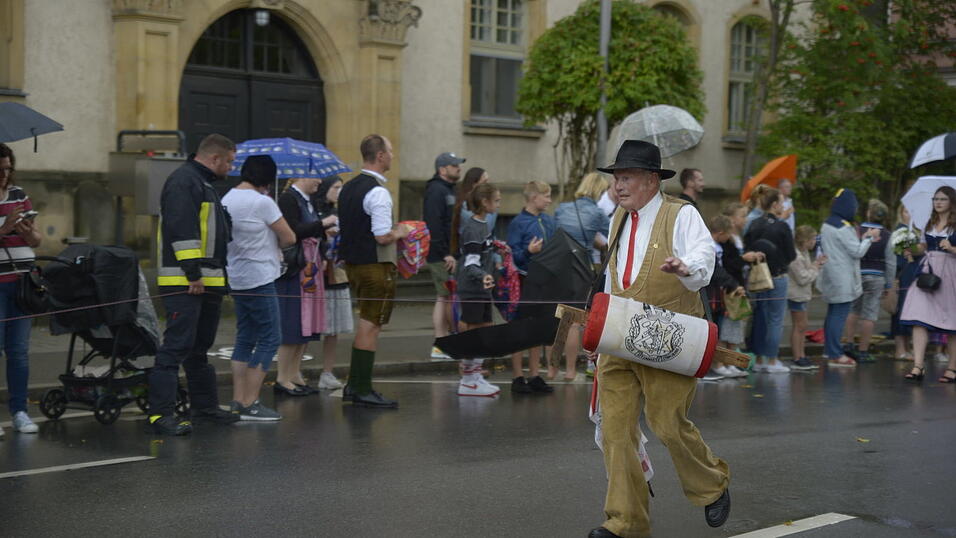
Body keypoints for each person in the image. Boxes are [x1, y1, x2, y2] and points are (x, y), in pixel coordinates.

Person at [588, 140, 729, 538]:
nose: (618, 185)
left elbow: (704, 259)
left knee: (667, 424)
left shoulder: (680, 214)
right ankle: (626, 522)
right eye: (616, 178)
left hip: (669, 339)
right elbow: (614, 281)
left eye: (627, 177)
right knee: (616, 432)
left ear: (652, 180)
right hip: (619, 340)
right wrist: (600, 338)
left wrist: (686, 267)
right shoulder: (618, 218)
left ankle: (711, 483)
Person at [148, 133, 240, 435]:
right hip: (186, 282)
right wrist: (192, 274)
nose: (231, 167)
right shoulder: (184, 182)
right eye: (229, 161)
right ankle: (159, 415)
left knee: (199, 348)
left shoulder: (203, 184)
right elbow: (181, 229)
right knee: (176, 347)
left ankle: (205, 407)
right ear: (214, 159)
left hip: (206, 281)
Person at [221, 155, 295, 421]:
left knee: (245, 337)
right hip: (260, 277)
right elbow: (289, 237)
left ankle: (237, 400)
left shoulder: (226, 198)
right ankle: (251, 402)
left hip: (236, 276)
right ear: (267, 179)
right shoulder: (263, 202)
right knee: (270, 338)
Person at [338, 134, 410, 408]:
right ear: (380, 156)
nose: (392, 155)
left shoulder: (349, 186)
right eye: (390, 151)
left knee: (367, 323)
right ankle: (361, 387)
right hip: (374, 265)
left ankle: (354, 385)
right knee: (371, 325)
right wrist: (401, 231)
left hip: (353, 265)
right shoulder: (378, 191)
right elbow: (381, 236)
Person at [275, 175, 337, 396]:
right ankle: (282, 377)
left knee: (306, 323)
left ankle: (294, 373)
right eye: (315, 177)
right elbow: (292, 232)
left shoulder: (306, 200)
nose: (319, 182)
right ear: (300, 176)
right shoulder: (288, 199)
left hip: (310, 265)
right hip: (297, 267)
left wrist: (323, 231)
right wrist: (322, 224)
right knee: (294, 321)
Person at [0, 143, 42, 436]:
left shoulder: (18, 195)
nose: (4, 175)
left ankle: (20, 412)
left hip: (22, 284)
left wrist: (29, 233)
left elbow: (38, 240)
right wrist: (2, 230)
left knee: (19, 352)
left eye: (7, 169)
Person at [554, 172, 611, 381]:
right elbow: (613, 236)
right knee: (575, 321)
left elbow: (556, 234)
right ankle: (570, 371)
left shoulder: (562, 208)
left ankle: (552, 369)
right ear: (598, 191)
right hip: (581, 269)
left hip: (559, 267)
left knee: (559, 318)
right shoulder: (597, 213)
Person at [817, 188, 880, 368]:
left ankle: (829, 351)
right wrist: (870, 238)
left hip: (830, 274)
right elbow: (857, 251)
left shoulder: (828, 223)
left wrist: (864, 237)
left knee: (831, 315)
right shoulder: (844, 227)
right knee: (839, 315)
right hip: (842, 277)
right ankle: (836, 354)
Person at [900, 186, 956, 383]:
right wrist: (911, 248)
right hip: (927, 272)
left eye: (942, 199)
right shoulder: (928, 223)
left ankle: (952, 368)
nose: (938, 202)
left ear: (951, 202)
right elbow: (923, 247)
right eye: (935, 199)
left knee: (951, 322)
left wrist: (951, 248)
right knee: (917, 316)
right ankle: (918, 366)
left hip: (950, 273)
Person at [506, 180, 556, 393]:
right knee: (519, 329)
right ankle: (518, 376)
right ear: (534, 198)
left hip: (543, 281)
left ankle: (535, 374)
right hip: (523, 280)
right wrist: (528, 251)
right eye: (546, 196)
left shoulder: (548, 220)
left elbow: (554, 247)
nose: (550, 200)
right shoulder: (518, 223)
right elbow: (512, 255)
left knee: (537, 329)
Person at [455, 182, 503, 397]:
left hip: (482, 289)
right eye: (497, 200)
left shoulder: (483, 224)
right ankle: (467, 380)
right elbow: (470, 263)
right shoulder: (473, 228)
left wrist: (499, 248)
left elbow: (484, 249)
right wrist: (484, 275)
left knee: (485, 329)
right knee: (475, 333)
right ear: (485, 202)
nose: (499, 204)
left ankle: (475, 377)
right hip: (473, 288)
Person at [744, 186, 797, 373]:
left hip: (758, 276)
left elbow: (747, 248)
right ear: (774, 204)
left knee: (761, 317)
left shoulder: (754, 224)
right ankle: (772, 360)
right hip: (778, 276)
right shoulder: (782, 226)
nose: (783, 205)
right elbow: (791, 254)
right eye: (781, 202)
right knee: (775, 320)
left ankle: (758, 359)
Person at [423, 152, 465, 360]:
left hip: (450, 254)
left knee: (448, 297)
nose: (458, 168)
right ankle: (439, 343)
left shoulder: (449, 190)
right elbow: (434, 225)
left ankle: (447, 341)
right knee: (443, 296)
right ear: (442, 169)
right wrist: (445, 253)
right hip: (441, 255)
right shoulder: (436, 191)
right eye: (454, 165)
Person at [844, 200, 895, 364]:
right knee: (870, 313)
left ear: (868, 213)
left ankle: (848, 344)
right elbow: (891, 261)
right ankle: (863, 350)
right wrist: (889, 283)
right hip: (877, 276)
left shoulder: (857, 231)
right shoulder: (888, 235)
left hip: (857, 274)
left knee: (853, 309)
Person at [313, 176, 351, 390]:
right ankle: (292, 369)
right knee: (309, 326)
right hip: (317, 273)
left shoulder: (339, 213)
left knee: (333, 328)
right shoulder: (315, 212)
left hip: (337, 273)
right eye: (336, 187)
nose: (339, 191)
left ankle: (327, 371)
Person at [704, 214, 747, 379]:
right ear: (721, 232)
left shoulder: (718, 246)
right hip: (708, 293)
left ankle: (716, 364)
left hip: (716, 292)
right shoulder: (708, 246)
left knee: (716, 329)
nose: (730, 237)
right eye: (728, 233)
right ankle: (708, 367)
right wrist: (734, 285)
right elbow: (715, 270)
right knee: (709, 330)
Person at [787, 225, 826, 370]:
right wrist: (816, 269)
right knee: (799, 326)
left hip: (802, 295)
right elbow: (803, 278)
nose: (815, 242)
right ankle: (797, 357)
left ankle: (801, 354)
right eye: (813, 239)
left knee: (803, 326)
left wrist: (816, 264)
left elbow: (808, 270)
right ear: (805, 240)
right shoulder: (796, 256)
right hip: (797, 295)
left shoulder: (803, 253)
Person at [891, 204, 921, 360]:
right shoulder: (901, 231)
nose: (908, 214)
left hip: (912, 275)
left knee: (909, 311)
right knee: (901, 311)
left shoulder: (913, 231)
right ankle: (900, 349)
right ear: (900, 213)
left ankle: (907, 347)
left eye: (911, 212)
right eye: (906, 211)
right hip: (904, 275)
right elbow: (902, 257)